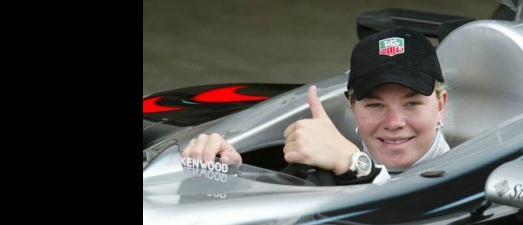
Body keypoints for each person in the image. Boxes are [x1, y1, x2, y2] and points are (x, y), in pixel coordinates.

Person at [181, 27, 449, 185]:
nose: (394, 122)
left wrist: (356, 165)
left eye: (412, 103)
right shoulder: (324, 169)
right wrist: (229, 175)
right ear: (352, 107)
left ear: (440, 105)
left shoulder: (483, 180)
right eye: (375, 105)